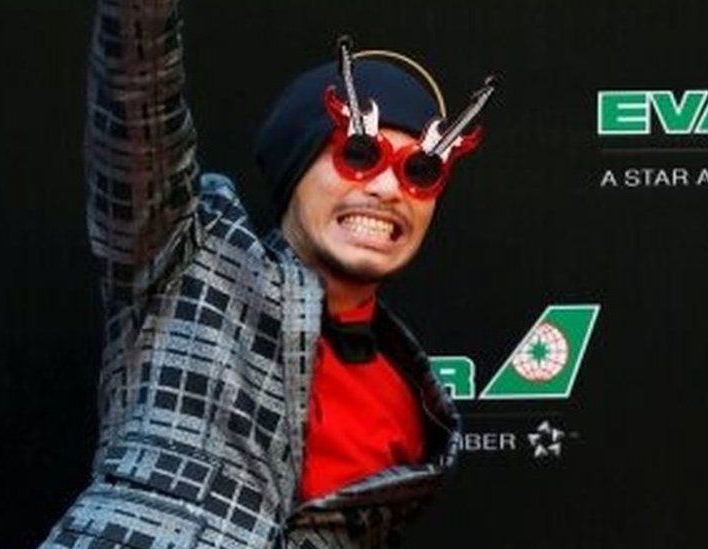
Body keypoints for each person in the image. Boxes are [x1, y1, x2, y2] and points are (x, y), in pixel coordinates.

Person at [39, 0, 493, 547]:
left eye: (419, 171)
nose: (388, 189)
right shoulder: (188, 257)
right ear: (295, 169)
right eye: (359, 154)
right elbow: (139, 98)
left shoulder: (413, 406)